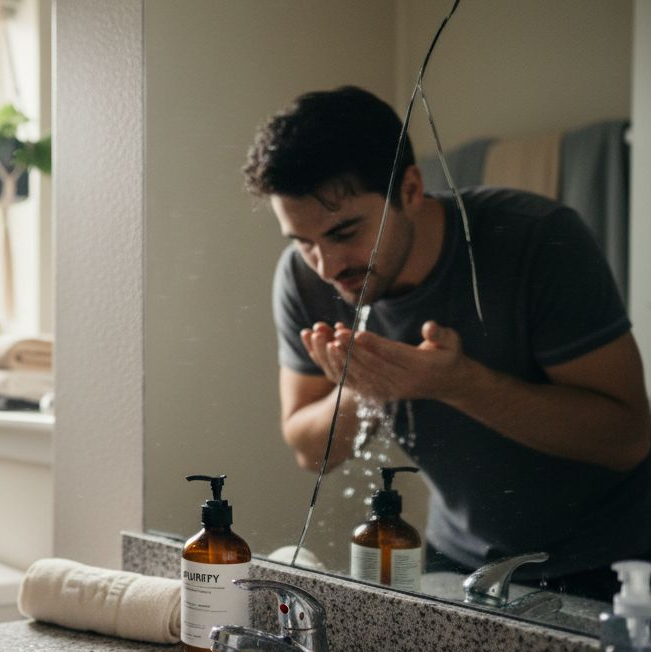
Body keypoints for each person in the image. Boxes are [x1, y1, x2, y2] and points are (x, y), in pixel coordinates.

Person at [245, 85, 651, 600]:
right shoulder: (305, 279)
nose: (326, 266)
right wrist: (366, 385)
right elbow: (310, 451)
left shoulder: (537, 240)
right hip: (456, 558)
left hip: (611, 567)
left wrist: (460, 385)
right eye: (303, 242)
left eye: (345, 231)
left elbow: (626, 437)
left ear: (411, 189)